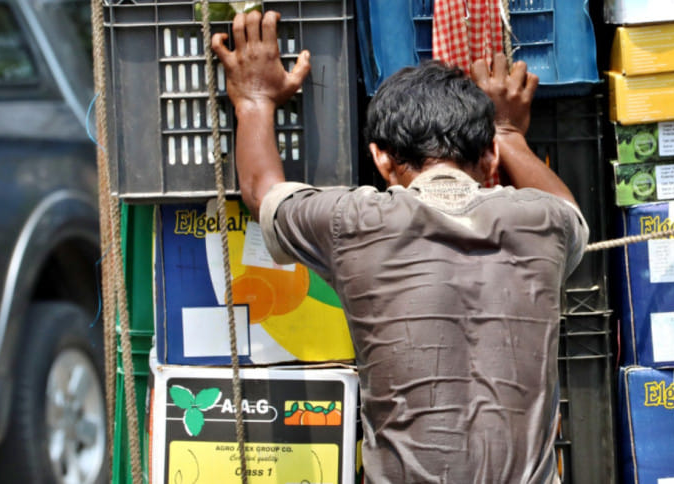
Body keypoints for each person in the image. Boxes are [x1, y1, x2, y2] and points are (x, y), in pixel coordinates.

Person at [212, 10, 588, 483]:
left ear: (381, 159)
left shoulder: (353, 221)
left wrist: (254, 98)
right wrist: (511, 134)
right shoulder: (544, 222)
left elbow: (262, 192)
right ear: (490, 155)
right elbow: (569, 211)